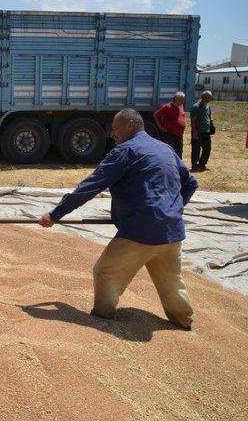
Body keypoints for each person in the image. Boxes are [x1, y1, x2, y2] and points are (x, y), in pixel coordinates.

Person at [39, 108, 198, 330]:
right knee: (171, 281)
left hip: (139, 232)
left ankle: (103, 319)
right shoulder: (166, 149)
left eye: (115, 128)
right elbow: (191, 183)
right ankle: (183, 322)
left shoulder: (125, 151)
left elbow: (90, 187)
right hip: (172, 233)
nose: (112, 134)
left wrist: (55, 214)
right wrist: (173, 209)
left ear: (130, 124)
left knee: (105, 271)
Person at [153, 91, 186, 158]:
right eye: (181, 99)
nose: (183, 101)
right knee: (170, 153)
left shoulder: (181, 106)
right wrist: (160, 127)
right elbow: (156, 115)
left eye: (183, 99)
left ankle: (177, 167)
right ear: (176, 99)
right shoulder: (167, 107)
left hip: (179, 135)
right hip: (169, 135)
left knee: (179, 153)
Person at [190, 91, 214, 171]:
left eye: (209, 97)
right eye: (206, 97)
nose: (208, 99)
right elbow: (193, 121)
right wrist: (194, 132)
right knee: (196, 150)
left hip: (206, 132)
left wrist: (211, 124)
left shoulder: (208, 107)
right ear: (202, 97)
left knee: (207, 149)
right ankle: (194, 166)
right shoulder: (196, 107)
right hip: (198, 132)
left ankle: (202, 164)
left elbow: (209, 117)